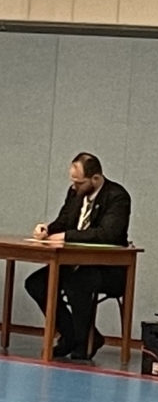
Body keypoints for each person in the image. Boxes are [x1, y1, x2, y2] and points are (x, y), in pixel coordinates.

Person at [25, 153, 131, 360]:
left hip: (107, 268)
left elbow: (107, 234)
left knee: (78, 282)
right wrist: (47, 229)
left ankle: (83, 342)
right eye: (73, 182)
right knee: (36, 284)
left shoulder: (117, 197)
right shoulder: (75, 193)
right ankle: (72, 335)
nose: (75, 187)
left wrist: (66, 236)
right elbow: (64, 220)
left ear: (96, 179)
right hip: (74, 264)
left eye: (80, 183)